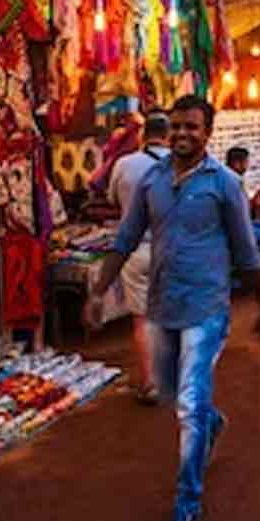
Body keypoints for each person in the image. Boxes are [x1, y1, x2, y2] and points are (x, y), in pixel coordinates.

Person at [88, 95, 260, 521]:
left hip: (208, 307)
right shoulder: (151, 180)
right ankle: (212, 424)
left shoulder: (225, 184)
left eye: (191, 127)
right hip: (162, 306)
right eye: (175, 127)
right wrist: (100, 289)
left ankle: (186, 507)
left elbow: (246, 250)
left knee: (188, 406)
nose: (182, 134)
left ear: (208, 133)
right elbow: (127, 236)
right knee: (177, 395)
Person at [106, 112, 173, 404]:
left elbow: (110, 198)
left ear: (144, 135)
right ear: (169, 135)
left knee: (143, 320)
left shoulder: (125, 164)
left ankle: (150, 383)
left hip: (136, 250)